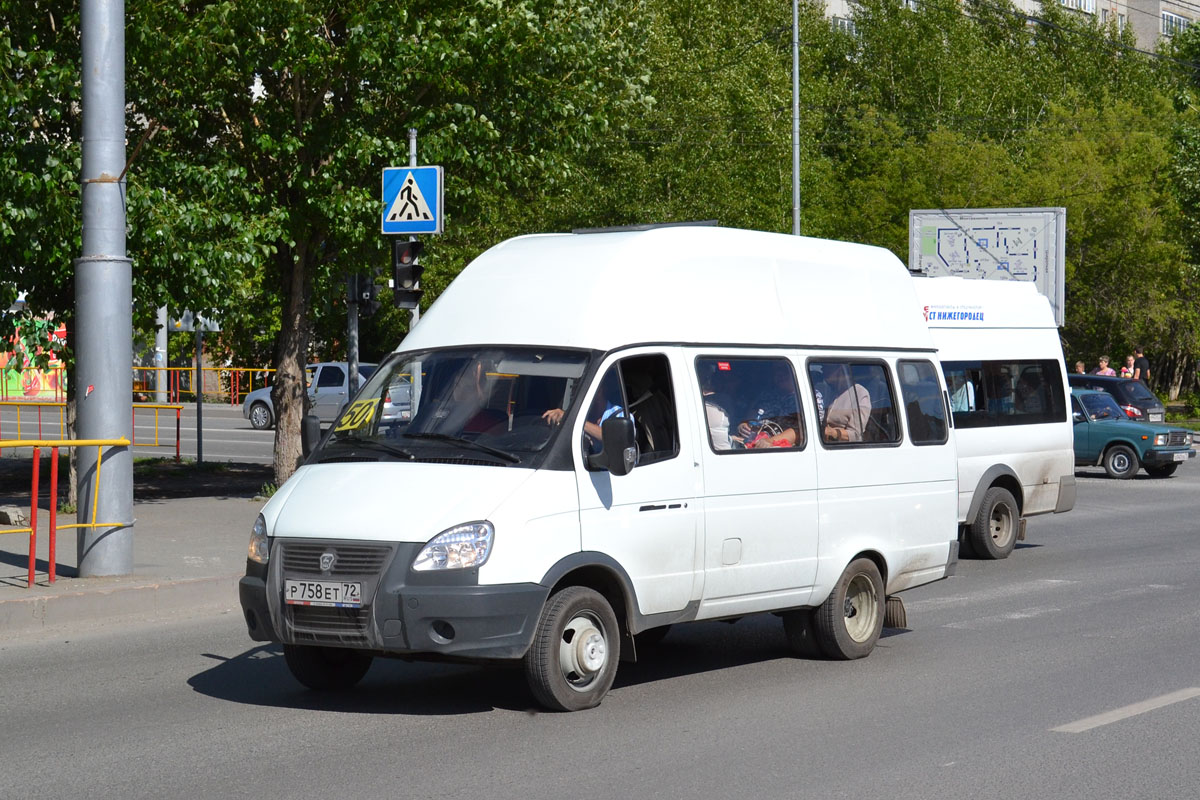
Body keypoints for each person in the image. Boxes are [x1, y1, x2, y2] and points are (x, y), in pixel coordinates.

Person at [822, 365, 871, 443]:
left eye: (826, 367)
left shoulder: (860, 393)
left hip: (844, 448)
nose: (822, 369)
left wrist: (831, 432)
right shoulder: (827, 390)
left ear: (840, 369)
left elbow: (855, 435)